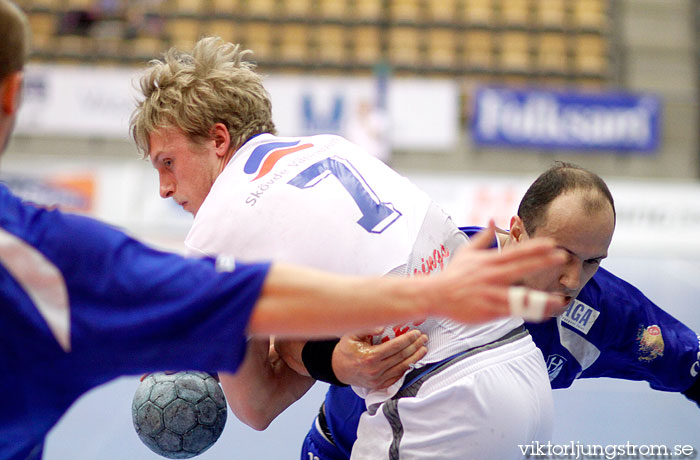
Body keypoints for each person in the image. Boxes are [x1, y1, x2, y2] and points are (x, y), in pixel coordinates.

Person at [0, 3, 569, 460]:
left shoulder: (218, 227)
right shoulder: (330, 146)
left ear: (218, 139)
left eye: (167, 162)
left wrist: (313, 361)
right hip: (519, 369)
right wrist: (328, 357)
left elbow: (257, 407)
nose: (164, 190)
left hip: (439, 404)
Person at [301, 162, 700, 460]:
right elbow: (302, 327)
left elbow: (688, 364)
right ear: (518, 231)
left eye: (593, 261)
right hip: (340, 446)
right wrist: (335, 361)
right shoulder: (437, 263)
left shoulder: (606, 313)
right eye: (560, 255)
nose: (573, 280)